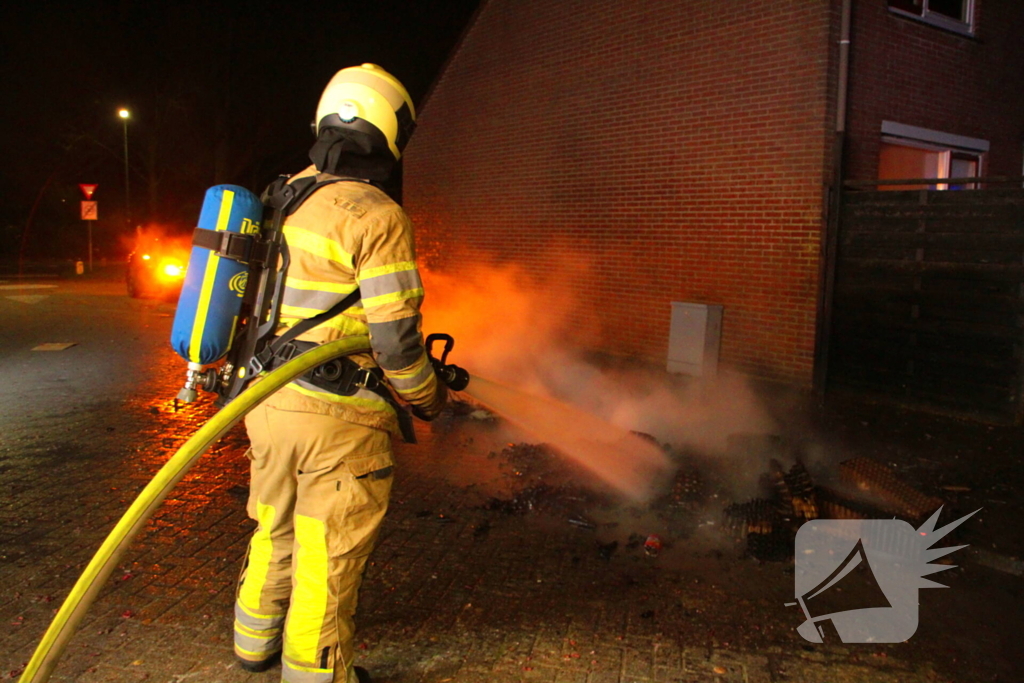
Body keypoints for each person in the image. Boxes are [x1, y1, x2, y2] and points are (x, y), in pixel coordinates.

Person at [232, 64, 447, 683]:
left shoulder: (282, 196)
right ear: (388, 130)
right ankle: (315, 675)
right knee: (326, 555)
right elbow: (397, 341)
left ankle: (253, 646)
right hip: (339, 417)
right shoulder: (376, 215)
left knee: (272, 529)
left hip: (266, 403)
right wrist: (426, 401)